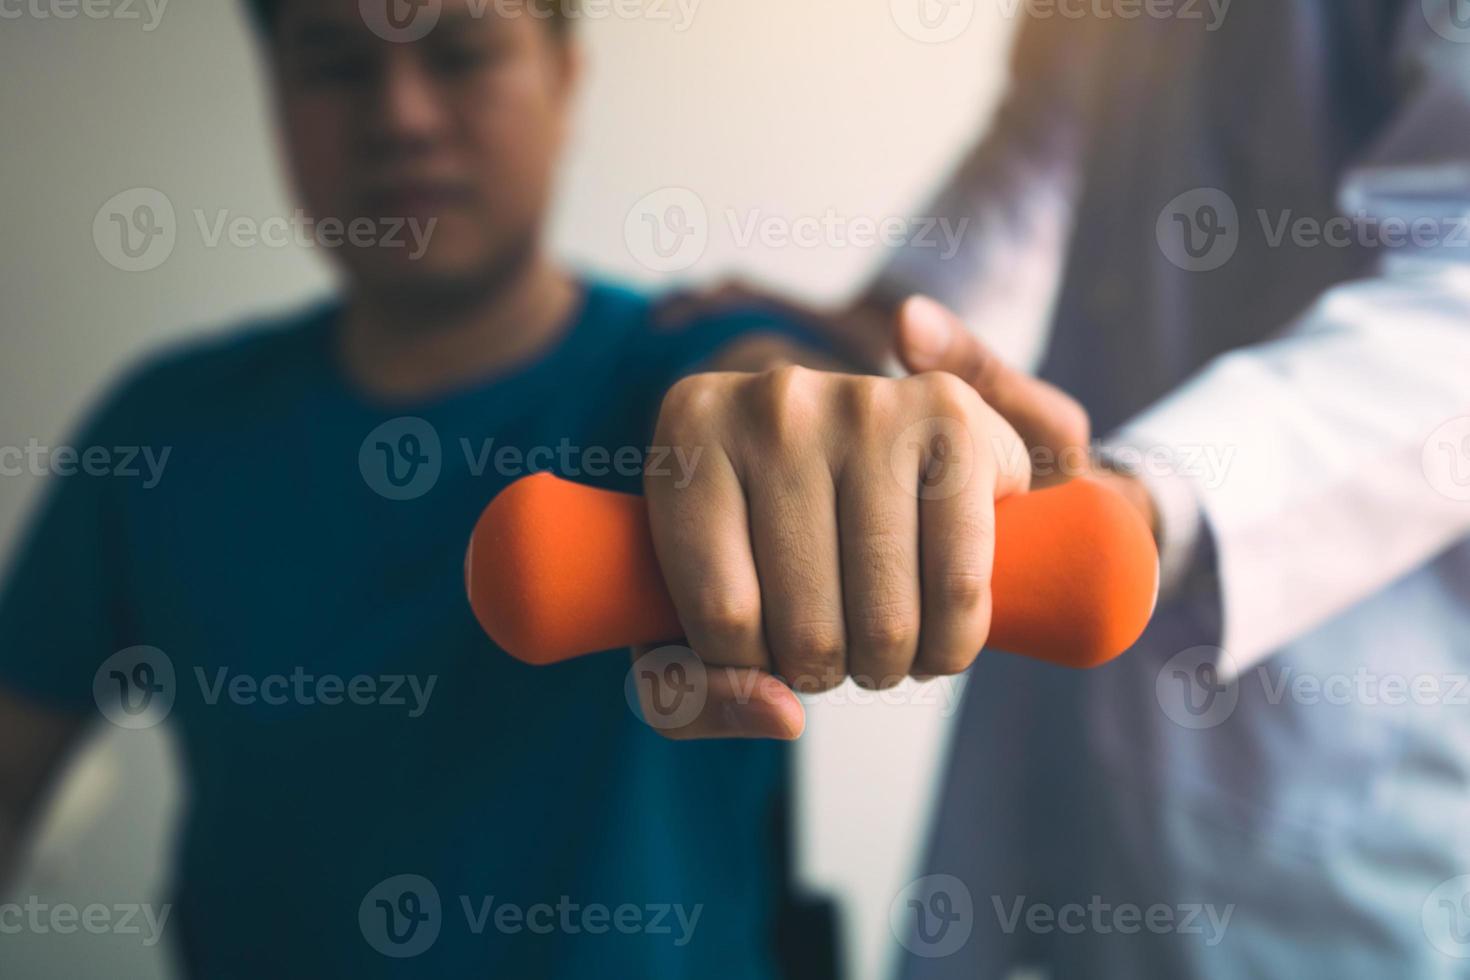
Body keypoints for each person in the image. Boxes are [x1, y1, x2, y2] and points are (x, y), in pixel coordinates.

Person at [0, 1, 1155, 977]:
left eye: (459, 53)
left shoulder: (689, 357)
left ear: (564, 75)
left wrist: (844, 427)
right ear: (276, 98)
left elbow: (770, 399)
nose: (400, 114)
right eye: (338, 66)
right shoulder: (163, 429)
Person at [751, 1, 1467, 975]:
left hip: (1319, 736)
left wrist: (1150, 498)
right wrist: (876, 324)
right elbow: (1042, 131)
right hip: (1065, 680)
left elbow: (1456, 295)